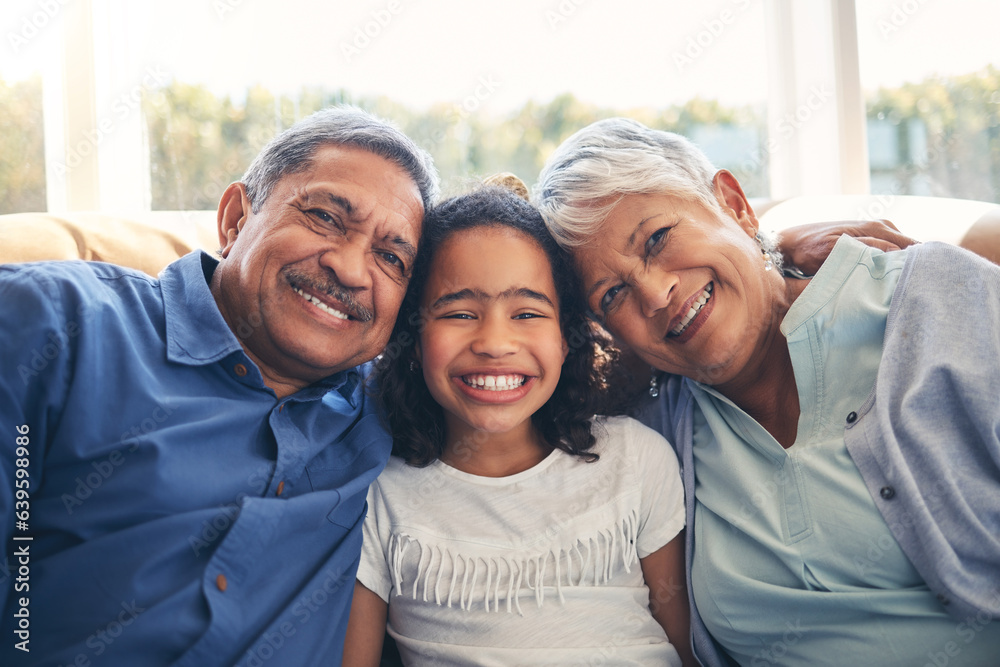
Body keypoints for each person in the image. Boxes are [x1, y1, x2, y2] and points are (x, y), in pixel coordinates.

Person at [534, 117, 1000, 666]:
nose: (656, 293)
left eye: (658, 239)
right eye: (612, 294)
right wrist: (765, 246)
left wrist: (761, 248)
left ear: (732, 203)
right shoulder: (652, 428)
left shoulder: (938, 299)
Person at [0, 106, 437, 666]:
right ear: (234, 219)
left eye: (390, 257)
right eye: (326, 217)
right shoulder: (55, 324)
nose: (351, 269)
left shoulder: (398, 409)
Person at [343, 183, 695, 666]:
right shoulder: (377, 493)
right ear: (413, 337)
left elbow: (687, 647)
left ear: (567, 338)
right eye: (460, 312)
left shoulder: (636, 459)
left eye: (527, 312)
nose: (494, 342)